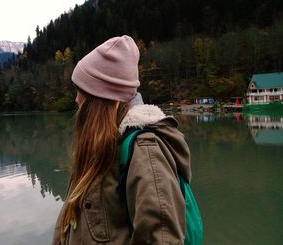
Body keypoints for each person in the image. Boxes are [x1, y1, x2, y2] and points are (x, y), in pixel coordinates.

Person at [52, 35, 193, 245]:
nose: (76, 99)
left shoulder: (145, 151)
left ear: (100, 100)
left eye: (82, 91)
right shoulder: (100, 148)